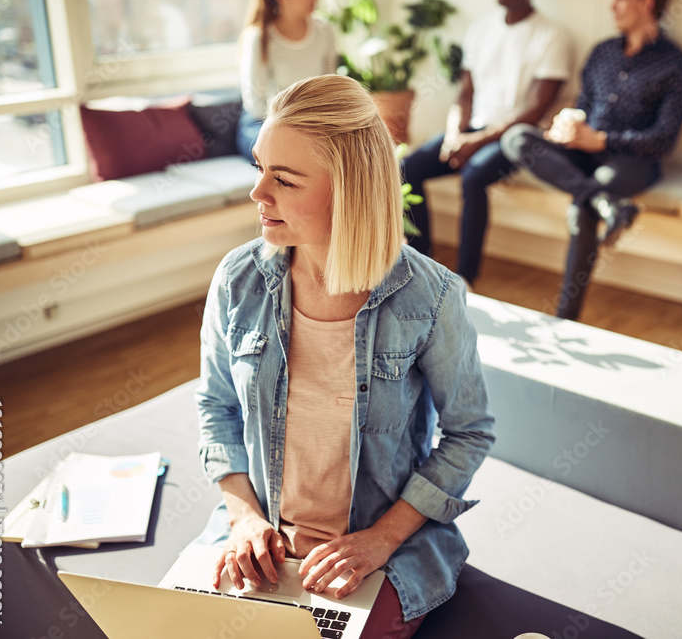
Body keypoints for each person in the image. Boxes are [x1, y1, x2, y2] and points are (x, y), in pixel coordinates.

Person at [194, 75, 495, 638]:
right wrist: (244, 518)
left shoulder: (431, 298)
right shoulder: (237, 280)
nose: (258, 193)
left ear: (348, 188)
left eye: (283, 179)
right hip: (262, 543)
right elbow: (216, 407)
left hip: (385, 549)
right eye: (259, 168)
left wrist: (381, 539)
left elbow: (468, 432)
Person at [501, 0, 682, 320]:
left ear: (646, 3)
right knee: (516, 139)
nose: (612, 5)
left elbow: (663, 139)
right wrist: (568, 124)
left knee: (582, 205)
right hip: (581, 151)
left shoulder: (675, 64)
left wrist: (602, 139)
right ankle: (608, 204)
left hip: (631, 160)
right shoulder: (602, 52)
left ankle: (566, 317)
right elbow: (584, 106)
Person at [401, 0, 572, 288]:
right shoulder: (481, 29)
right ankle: (421, 263)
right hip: (470, 131)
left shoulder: (551, 36)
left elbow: (533, 112)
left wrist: (475, 141)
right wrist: (455, 134)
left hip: (514, 140)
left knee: (474, 176)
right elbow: (465, 94)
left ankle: (465, 278)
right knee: (407, 168)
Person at [237, 0, 337, 160]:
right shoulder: (259, 38)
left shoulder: (324, 31)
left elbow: (328, 88)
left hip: (308, 123)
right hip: (261, 124)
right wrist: (295, 127)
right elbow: (255, 104)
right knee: (295, 153)